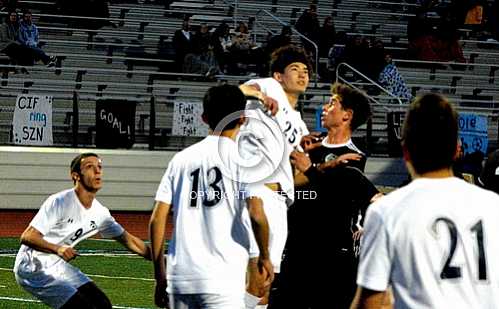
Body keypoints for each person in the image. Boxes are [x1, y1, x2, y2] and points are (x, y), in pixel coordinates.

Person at [351, 93, 499, 308]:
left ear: (406, 151)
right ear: (455, 150)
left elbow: (370, 302)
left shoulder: (387, 211)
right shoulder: (492, 205)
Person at [149, 84, 273, 309]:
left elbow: (157, 220)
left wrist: (160, 276)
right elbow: (257, 214)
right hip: (222, 280)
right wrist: (265, 256)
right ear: (243, 118)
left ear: (204, 118)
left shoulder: (180, 160)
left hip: (180, 279)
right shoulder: (244, 161)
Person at [272, 83, 381, 309]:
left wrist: (310, 169)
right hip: (296, 245)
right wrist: (299, 156)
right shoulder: (309, 145)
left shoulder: (355, 155)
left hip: (331, 251)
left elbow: (337, 196)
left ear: (347, 116)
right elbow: (285, 186)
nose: (325, 107)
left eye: (332, 103)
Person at [13, 153, 151, 309]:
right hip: (33, 268)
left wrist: (161, 260)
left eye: (99, 166)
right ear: (76, 176)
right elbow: (27, 236)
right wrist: (58, 249)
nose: (97, 171)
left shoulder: (100, 213)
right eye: (90, 167)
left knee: (102, 304)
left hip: (56, 264)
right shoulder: (60, 202)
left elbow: (130, 241)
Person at [237, 44, 311, 309]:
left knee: (267, 283)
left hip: (281, 201)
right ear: (279, 76)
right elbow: (237, 91)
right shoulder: (268, 86)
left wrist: (319, 169)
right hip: (258, 190)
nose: (303, 75)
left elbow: (298, 175)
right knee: (256, 276)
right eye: (295, 69)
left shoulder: (300, 125)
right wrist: (258, 97)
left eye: (305, 70)